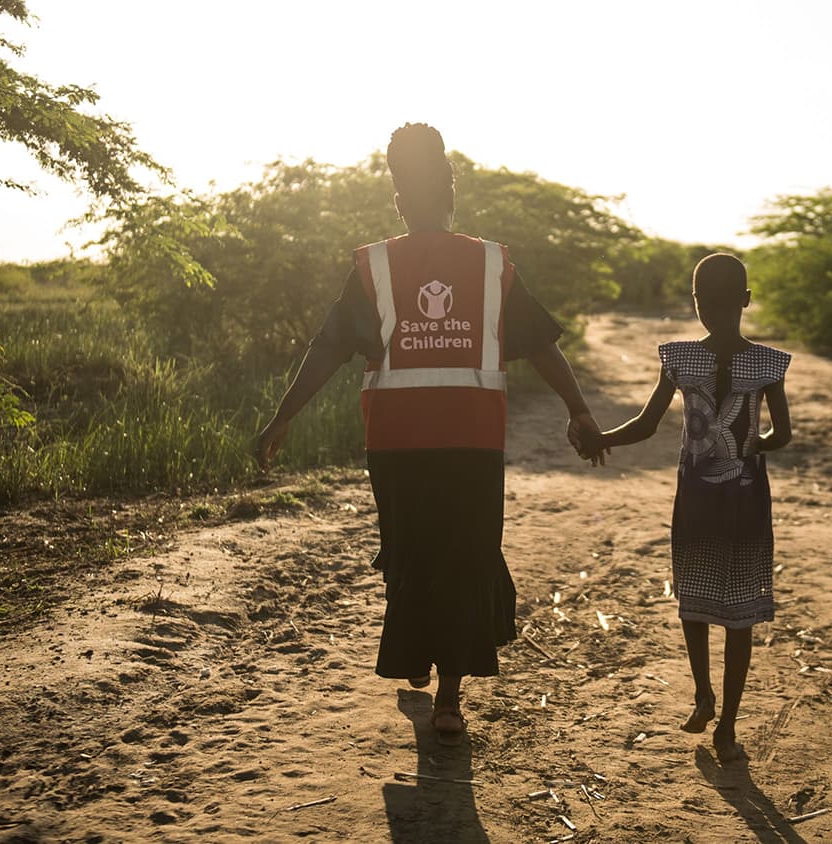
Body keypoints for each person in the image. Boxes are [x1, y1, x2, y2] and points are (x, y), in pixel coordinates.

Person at [254, 123, 603, 746]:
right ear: (451, 192)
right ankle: (446, 695)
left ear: (396, 199)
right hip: (473, 441)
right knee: (464, 557)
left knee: (411, 553)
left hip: (395, 443)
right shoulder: (490, 261)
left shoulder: (375, 263)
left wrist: (283, 415)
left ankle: (437, 679)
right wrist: (577, 408)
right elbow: (542, 346)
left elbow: (328, 350)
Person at [597, 253, 792, 761]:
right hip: (747, 499)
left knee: (695, 594)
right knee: (740, 612)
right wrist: (751, 442)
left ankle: (703, 694)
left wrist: (599, 437)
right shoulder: (768, 363)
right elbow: (783, 435)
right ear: (747, 301)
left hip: (697, 496)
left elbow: (644, 425)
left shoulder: (680, 358)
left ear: (696, 302)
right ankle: (727, 723)